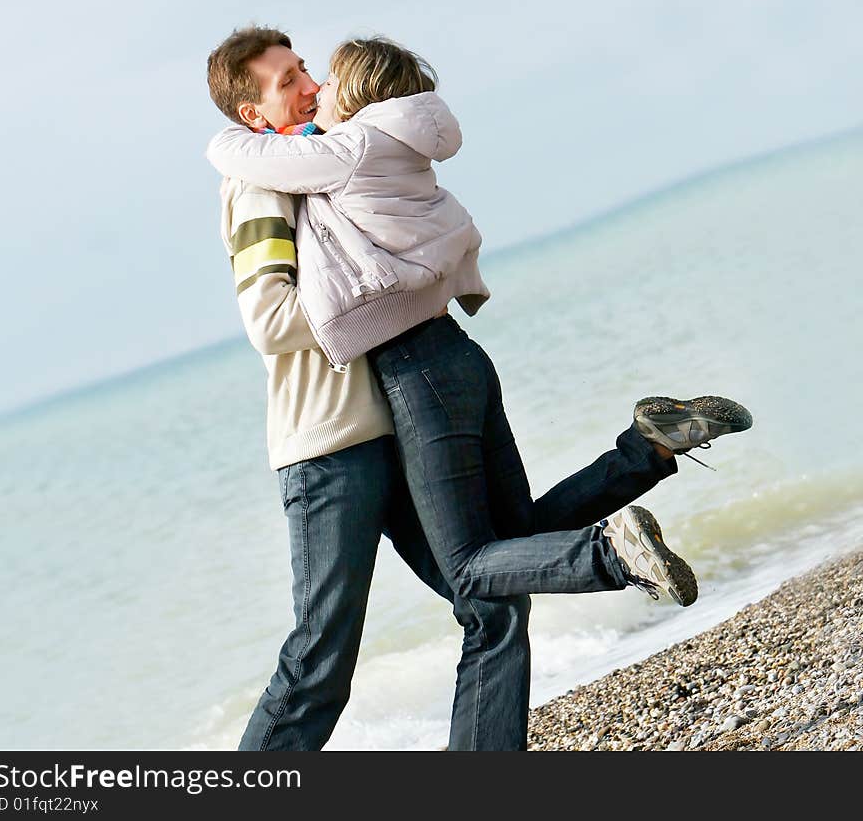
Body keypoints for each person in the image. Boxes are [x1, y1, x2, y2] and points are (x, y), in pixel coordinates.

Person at [206, 33, 753, 614]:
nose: (316, 89)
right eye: (294, 79)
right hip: (457, 354)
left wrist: (227, 136)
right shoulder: (404, 147)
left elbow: (242, 158)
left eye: (319, 77)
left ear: (362, 97)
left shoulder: (346, 151)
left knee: (465, 567)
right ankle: (650, 448)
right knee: (521, 529)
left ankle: (612, 554)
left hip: (416, 370)